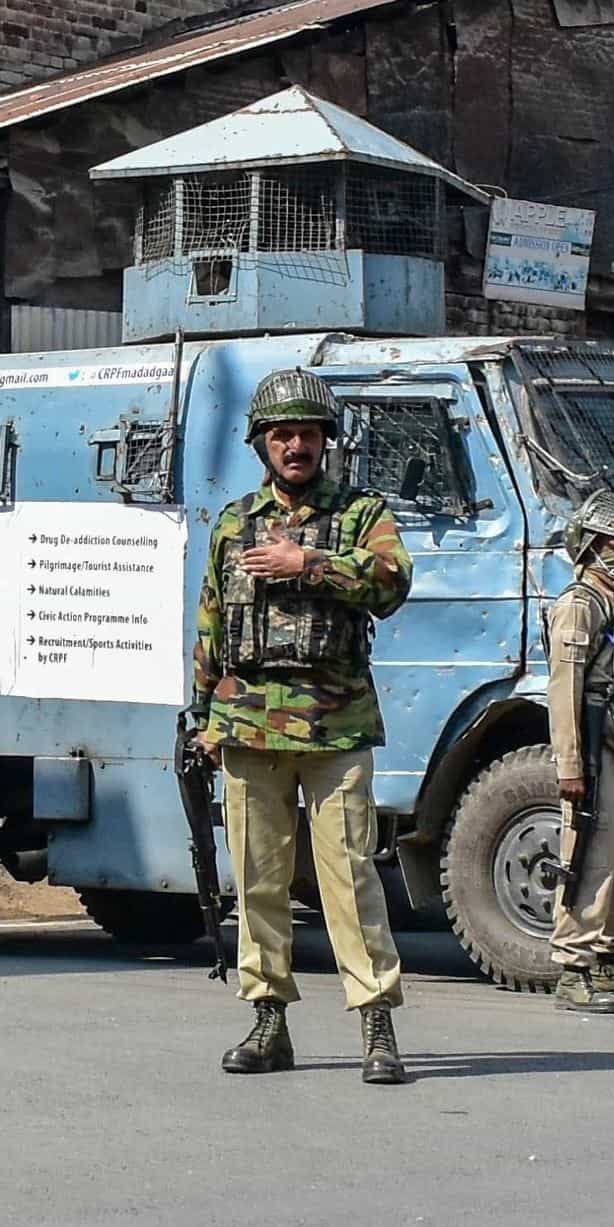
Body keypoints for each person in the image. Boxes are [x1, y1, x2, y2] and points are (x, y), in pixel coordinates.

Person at [191, 367, 416, 1085]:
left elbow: (392, 583)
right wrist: (202, 714)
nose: (296, 445)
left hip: (335, 727)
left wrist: (308, 560)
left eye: (308, 433)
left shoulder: (359, 512)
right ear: (263, 443)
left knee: (349, 877)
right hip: (250, 727)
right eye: (282, 434)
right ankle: (267, 1020)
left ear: (326, 441)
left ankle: (376, 1023)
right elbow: (211, 622)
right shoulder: (233, 522)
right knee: (256, 879)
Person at [539, 495, 614, 1014]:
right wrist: (570, 765)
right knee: (587, 859)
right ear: (592, 546)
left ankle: (607, 963)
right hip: (590, 754)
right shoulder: (579, 605)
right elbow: (564, 689)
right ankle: (573, 969)